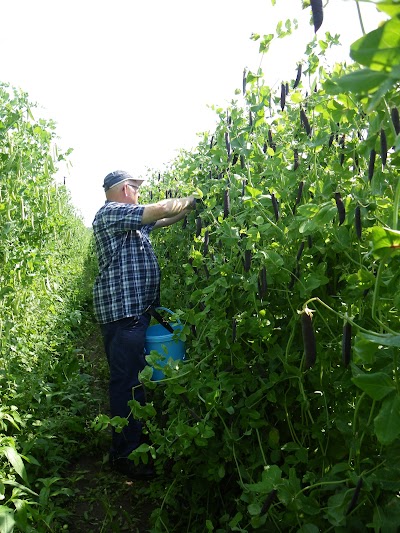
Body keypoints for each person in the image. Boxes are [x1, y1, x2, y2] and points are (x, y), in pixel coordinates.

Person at [92, 170, 196, 479]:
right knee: (127, 381)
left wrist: (189, 210)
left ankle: (134, 439)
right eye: (137, 189)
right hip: (123, 314)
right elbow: (161, 209)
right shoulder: (112, 213)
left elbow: (163, 220)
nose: (139, 194)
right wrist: (192, 199)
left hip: (133, 312)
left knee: (134, 376)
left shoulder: (131, 226)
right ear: (126, 189)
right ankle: (125, 454)